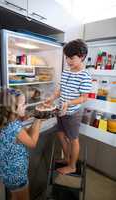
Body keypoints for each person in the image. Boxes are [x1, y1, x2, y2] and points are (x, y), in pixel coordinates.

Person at [45, 39, 92, 175]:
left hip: (72, 113)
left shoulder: (85, 76)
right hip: (61, 110)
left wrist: (68, 103)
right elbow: (60, 89)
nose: (68, 61)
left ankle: (72, 166)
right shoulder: (66, 70)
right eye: (67, 57)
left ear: (82, 57)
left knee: (73, 140)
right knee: (60, 133)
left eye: (72, 58)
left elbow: (84, 97)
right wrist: (51, 98)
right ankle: (66, 158)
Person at [0, 88, 42, 200]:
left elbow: (25, 136)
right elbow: (32, 143)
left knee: (15, 195)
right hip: (16, 174)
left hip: (6, 171)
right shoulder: (14, 127)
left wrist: (35, 120)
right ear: (13, 109)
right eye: (23, 104)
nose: (26, 106)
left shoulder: (7, 121)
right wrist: (39, 119)